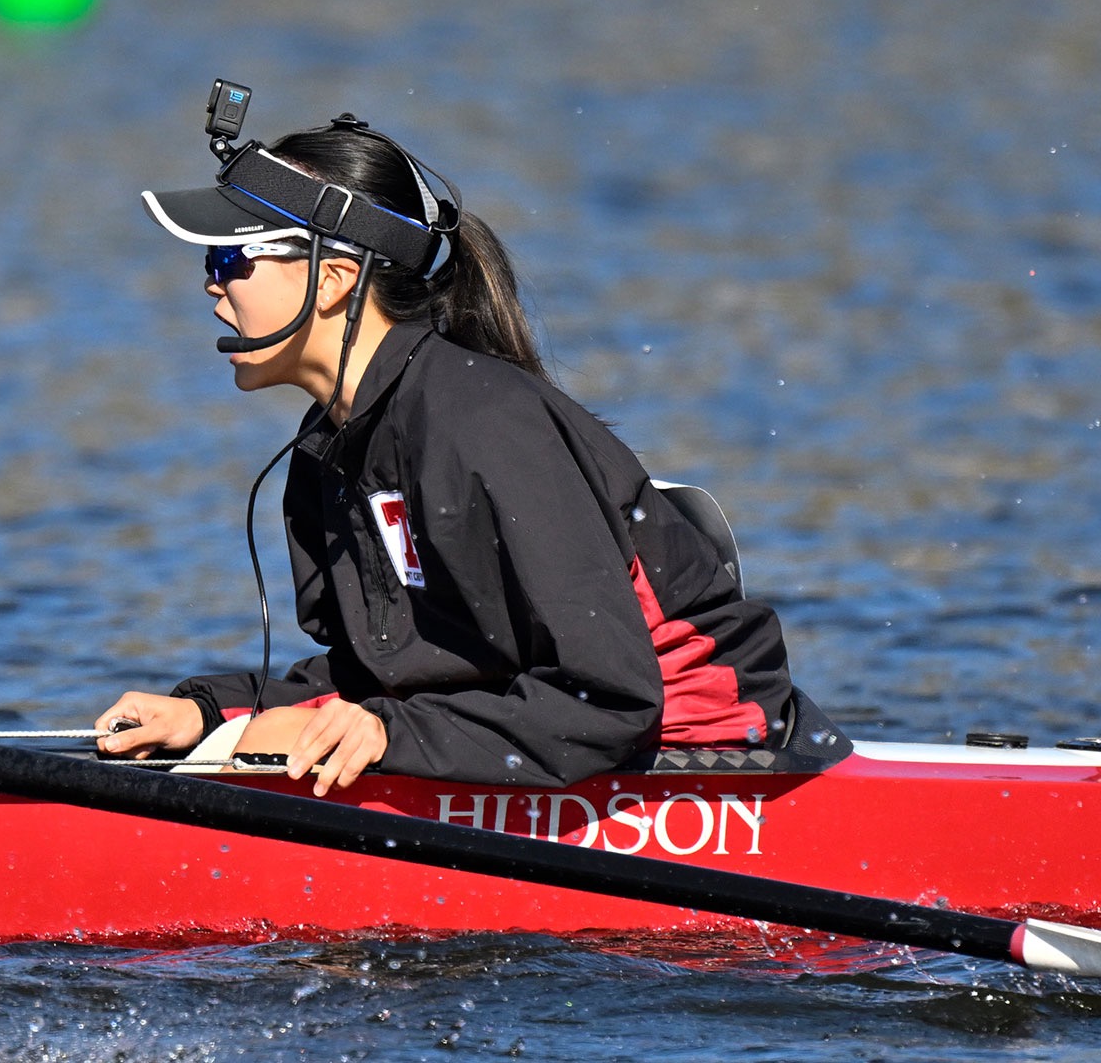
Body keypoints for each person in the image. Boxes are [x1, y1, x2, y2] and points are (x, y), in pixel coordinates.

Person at [96, 93, 796, 795]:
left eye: (230, 260)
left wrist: (388, 734)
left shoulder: (490, 423)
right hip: (545, 729)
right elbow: (397, 671)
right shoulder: (325, 448)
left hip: (709, 749)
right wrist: (210, 712)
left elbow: (608, 696)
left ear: (335, 279)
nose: (212, 288)